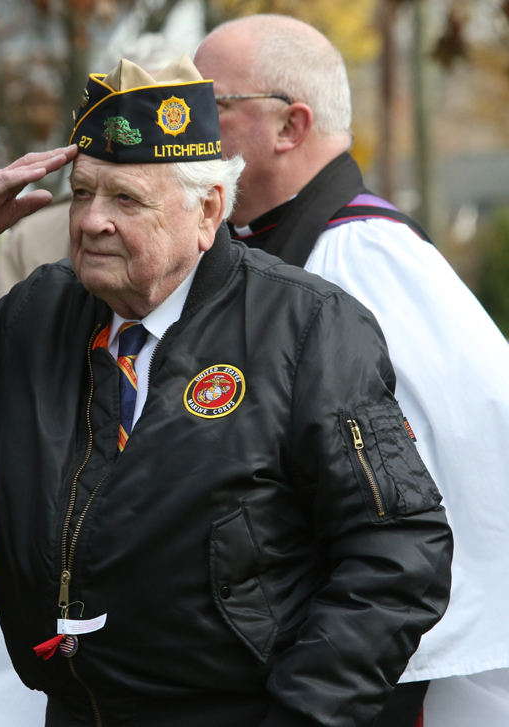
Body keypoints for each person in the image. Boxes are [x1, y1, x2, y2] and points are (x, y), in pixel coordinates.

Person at [0, 56, 453, 727]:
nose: (92, 220)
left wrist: (304, 714)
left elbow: (397, 552)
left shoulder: (307, 328)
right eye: (83, 192)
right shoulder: (40, 313)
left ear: (208, 208)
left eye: (126, 199)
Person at [192, 15, 509, 727]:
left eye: (209, 104)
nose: (183, 127)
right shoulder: (259, 252)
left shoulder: (365, 260)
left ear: (290, 126)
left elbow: (459, 468)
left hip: (366, 670)